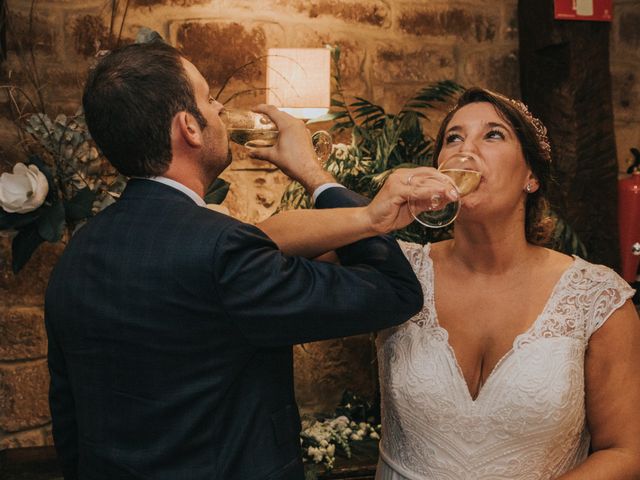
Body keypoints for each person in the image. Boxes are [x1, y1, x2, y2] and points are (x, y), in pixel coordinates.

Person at [44, 41, 457, 480]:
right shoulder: (223, 253)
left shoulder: (76, 257)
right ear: (190, 128)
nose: (219, 107)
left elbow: (69, 423)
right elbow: (394, 291)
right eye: (208, 98)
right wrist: (315, 174)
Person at [370, 88, 640, 479]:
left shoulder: (596, 297)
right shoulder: (398, 267)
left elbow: (626, 451)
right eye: (454, 138)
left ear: (530, 176)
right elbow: (266, 252)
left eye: (492, 135)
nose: (467, 150)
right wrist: (371, 220)